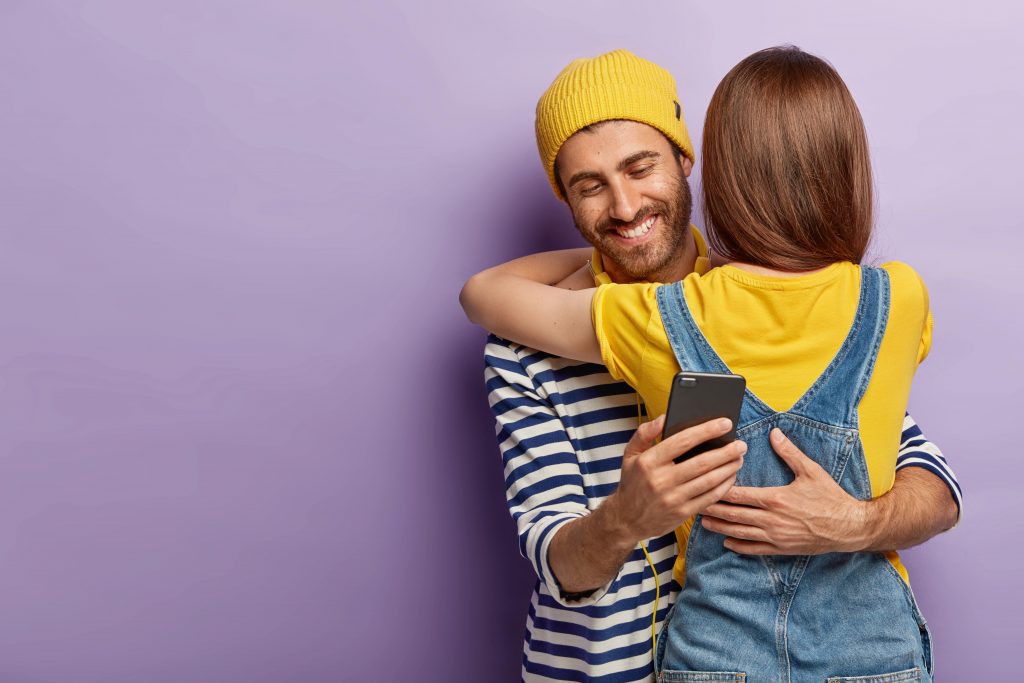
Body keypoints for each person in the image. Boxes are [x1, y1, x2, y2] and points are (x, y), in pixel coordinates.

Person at [476, 49, 960, 682]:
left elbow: (930, 486)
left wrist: (852, 520)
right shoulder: (521, 350)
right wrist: (629, 516)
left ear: (685, 159)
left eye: (640, 168)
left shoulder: (770, 301)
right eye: (589, 187)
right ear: (565, 198)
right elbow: (557, 561)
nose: (623, 207)